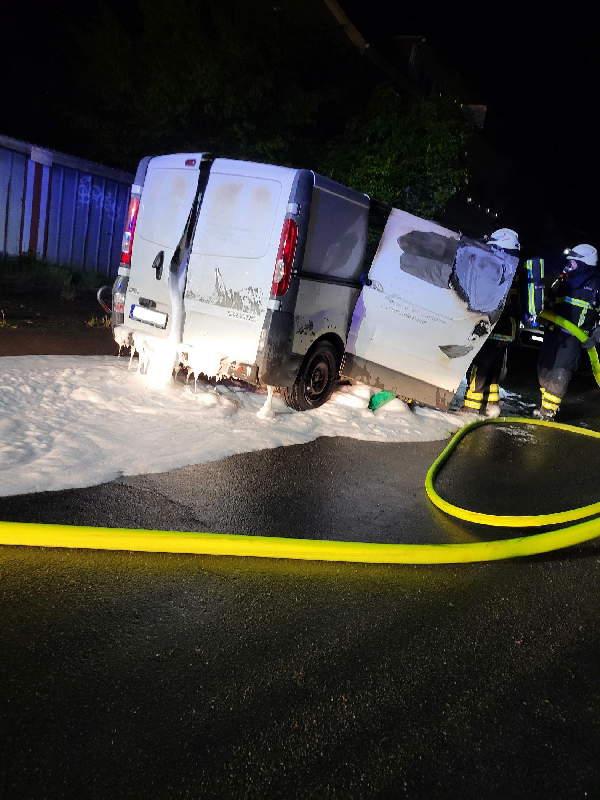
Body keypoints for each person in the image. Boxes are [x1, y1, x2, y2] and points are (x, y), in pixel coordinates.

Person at [535, 243, 600, 420]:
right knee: (543, 369)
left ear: (585, 263)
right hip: (553, 333)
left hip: (573, 338)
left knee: (560, 372)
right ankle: (546, 404)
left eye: (573, 262)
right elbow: (549, 301)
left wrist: (595, 336)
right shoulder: (563, 281)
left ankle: (548, 412)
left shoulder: (596, 285)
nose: (569, 265)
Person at [461, 228, 521, 417]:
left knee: (478, 365)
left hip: (492, 326)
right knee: (493, 365)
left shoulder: (496, 266)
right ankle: (491, 403)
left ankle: (471, 407)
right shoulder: (516, 268)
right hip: (508, 329)